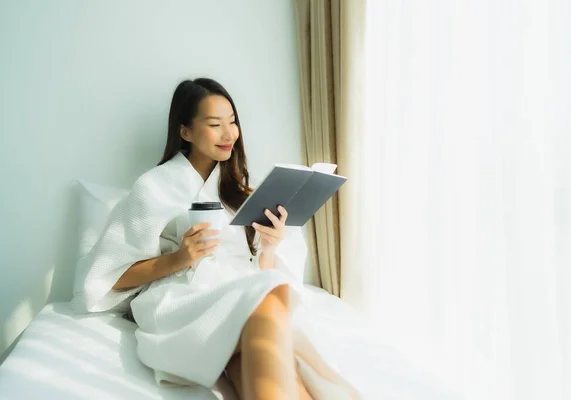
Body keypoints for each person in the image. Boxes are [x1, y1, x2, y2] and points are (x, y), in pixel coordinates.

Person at [72, 78, 358, 400]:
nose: (229, 134)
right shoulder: (153, 187)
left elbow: (260, 271)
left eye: (232, 122)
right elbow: (108, 277)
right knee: (268, 313)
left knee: (249, 360)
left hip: (241, 291)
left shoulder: (240, 191)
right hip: (184, 299)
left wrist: (269, 247)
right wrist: (178, 259)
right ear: (186, 132)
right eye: (214, 124)